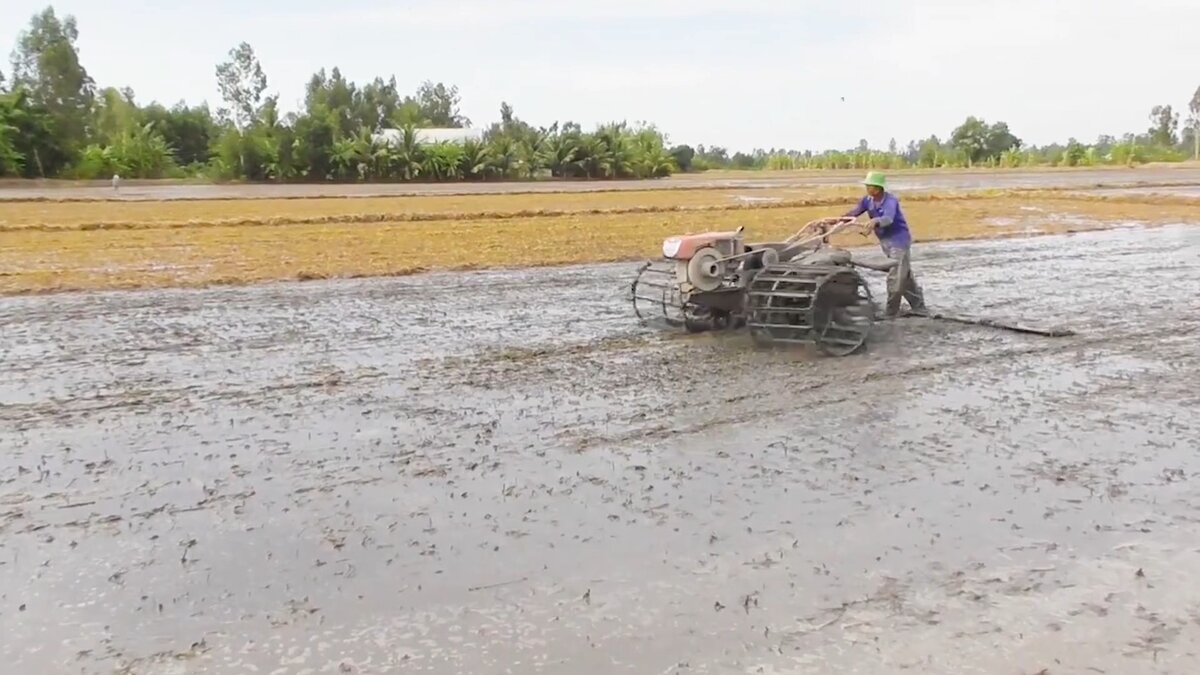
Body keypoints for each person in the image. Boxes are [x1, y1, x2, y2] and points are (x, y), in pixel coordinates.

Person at [843, 171, 926, 317]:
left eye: (870, 186)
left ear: (878, 188)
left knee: (896, 276)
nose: (867, 188)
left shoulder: (890, 201)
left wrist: (876, 221)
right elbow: (855, 212)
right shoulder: (867, 200)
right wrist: (839, 219)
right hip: (886, 241)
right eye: (867, 186)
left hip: (899, 241)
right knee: (903, 274)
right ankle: (919, 306)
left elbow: (888, 219)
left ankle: (891, 312)